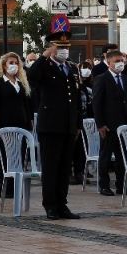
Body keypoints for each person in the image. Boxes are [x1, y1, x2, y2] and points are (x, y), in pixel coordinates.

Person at [27, 19, 82, 220]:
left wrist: (77, 124)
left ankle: (62, 203)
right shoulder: (45, 67)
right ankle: (50, 204)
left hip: (68, 126)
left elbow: (76, 99)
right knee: (51, 168)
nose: (64, 50)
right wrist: (44, 57)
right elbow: (32, 76)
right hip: (50, 126)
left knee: (64, 168)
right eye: (60, 47)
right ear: (51, 47)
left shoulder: (71, 69)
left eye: (66, 47)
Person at [0, 52, 32, 197]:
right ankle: (6, 186)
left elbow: (27, 106)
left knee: (19, 156)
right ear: (4, 65)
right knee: (6, 157)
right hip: (4, 126)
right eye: (10, 62)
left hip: (21, 126)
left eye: (16, 62)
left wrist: (28, 124)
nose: (14, 65)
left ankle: (16, 186)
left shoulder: (21, 83)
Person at [93, 50, 127, 196]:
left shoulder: (125, 78)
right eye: (117, 61)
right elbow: (97, 103)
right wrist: (100, 124)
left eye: (122, 61)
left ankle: (121, 185)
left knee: (122, 156)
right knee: (106, 155)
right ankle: (104, 185)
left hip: (124, 125)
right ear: (109, 62)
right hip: (108, 125)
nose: (120, 64)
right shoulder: (102, 78)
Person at [72, 61, 95, 185]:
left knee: (81, 149)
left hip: (83, 121)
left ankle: (79, 172)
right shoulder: (70, 88)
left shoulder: (83, 88)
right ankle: (71, 173)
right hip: (72, 121)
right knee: (72, 149)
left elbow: (86, 104)